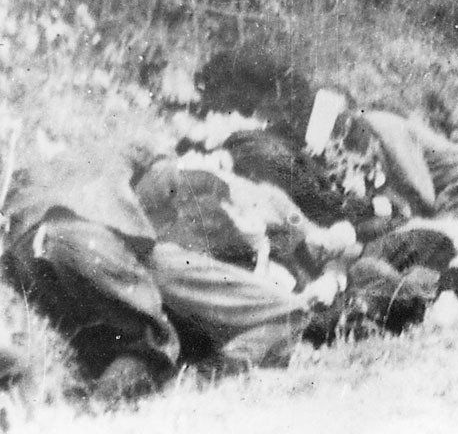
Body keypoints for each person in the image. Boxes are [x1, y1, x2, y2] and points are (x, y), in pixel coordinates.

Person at [0, 140, 337, 400]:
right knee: (156, 341)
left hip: (28, 252)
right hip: (99, 242)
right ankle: (185, 389)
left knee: (111, 348)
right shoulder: (157, 172)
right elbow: (155, 215)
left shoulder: (61, 163)